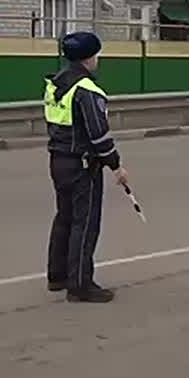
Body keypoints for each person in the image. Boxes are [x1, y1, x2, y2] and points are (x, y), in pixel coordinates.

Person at [44, 31, 129, 303]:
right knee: (85, 222)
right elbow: (98, 135)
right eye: (97, 55)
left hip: (58, 159)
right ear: (89, 58)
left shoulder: (56, 84)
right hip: (82, 164)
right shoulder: (87, 91)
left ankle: (57, 276)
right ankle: (80, 284)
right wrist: (116, 166)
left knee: (64, 217)